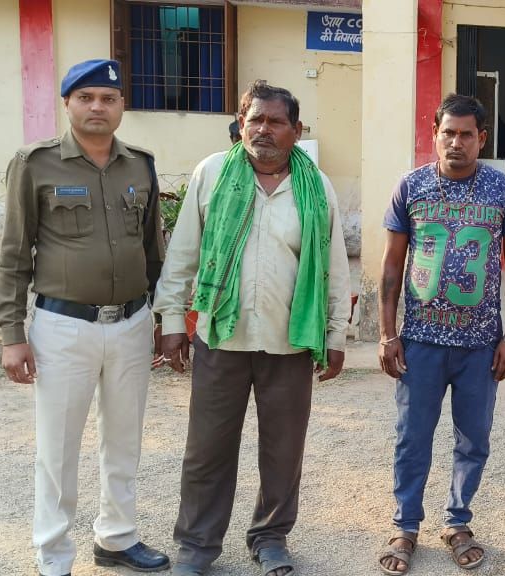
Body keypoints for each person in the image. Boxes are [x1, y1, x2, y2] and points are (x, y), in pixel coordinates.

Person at [154, 80, 350, 576]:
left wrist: (335, 334)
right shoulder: (212, 174)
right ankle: (197, 545)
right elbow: (183, 253)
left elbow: (333, 267)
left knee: (283, 451)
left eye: (275, 121)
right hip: (222, 337)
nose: (263, 129)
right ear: (241, 123)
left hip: (290, 341)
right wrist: (172, 320)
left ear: (296, 130)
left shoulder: (316, 186)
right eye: (254, 119)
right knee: (207, 449)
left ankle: (270, 537)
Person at [0, 58, 170, 576]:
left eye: (109, 99)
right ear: (67, 103)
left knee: (124, 440)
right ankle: (53, 556)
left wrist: (165, 317)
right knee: (58, 448)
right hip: (64, 327)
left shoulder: (140, 165)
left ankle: (117, 538)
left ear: (122, 106)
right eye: (86, 97)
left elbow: (152, 249)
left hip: (131, 324)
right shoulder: (35, 163)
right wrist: (11, 334)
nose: (98, 107)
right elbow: (13, 254)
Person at [375, 94, 505, 575]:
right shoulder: (411, 186)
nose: (456, 142)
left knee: (473, 439)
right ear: (434, 134)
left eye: (466, 134)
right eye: (448, 133)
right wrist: (386, 334)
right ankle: (405, 526)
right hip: (420, 342)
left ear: (482, 138)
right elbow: (391, 266)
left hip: (480, 345)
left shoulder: (503, 190)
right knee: (412, 437)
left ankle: (457, 522)